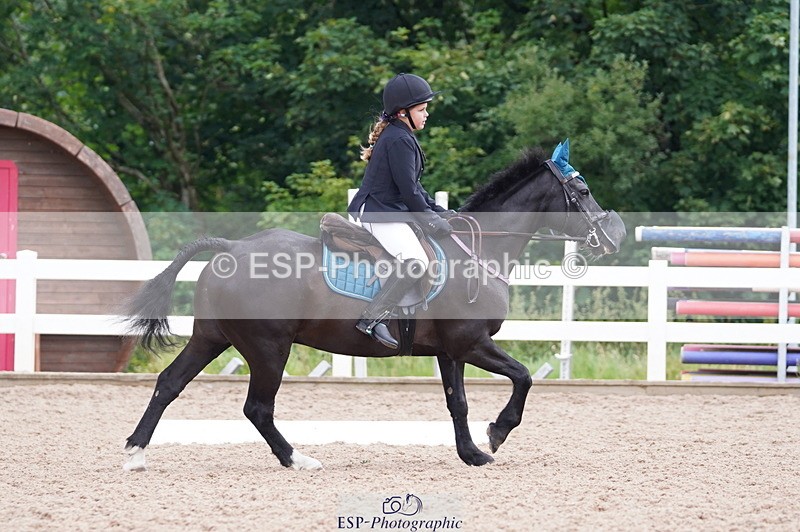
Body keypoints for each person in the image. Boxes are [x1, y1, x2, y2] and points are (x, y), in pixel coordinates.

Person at [347, 73, 454, 349]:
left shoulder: (401, 135)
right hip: (379, 213)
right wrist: (432, 221)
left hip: (387, 210)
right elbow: (409, 192)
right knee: (415, 261)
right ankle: (372, 318)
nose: (427, 114)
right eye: (422, 109)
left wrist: (439, 212)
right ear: (403, 112)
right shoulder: (399, 140)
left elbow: (415, 187)